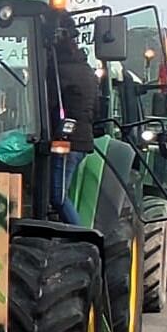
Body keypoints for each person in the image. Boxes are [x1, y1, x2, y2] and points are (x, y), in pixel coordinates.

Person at [52, 20, 97, 226]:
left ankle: (80, 236)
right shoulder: (84, 68)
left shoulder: (60, 70)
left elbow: (50, 103)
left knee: (57, 196)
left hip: (66, 141)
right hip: (79, 139)